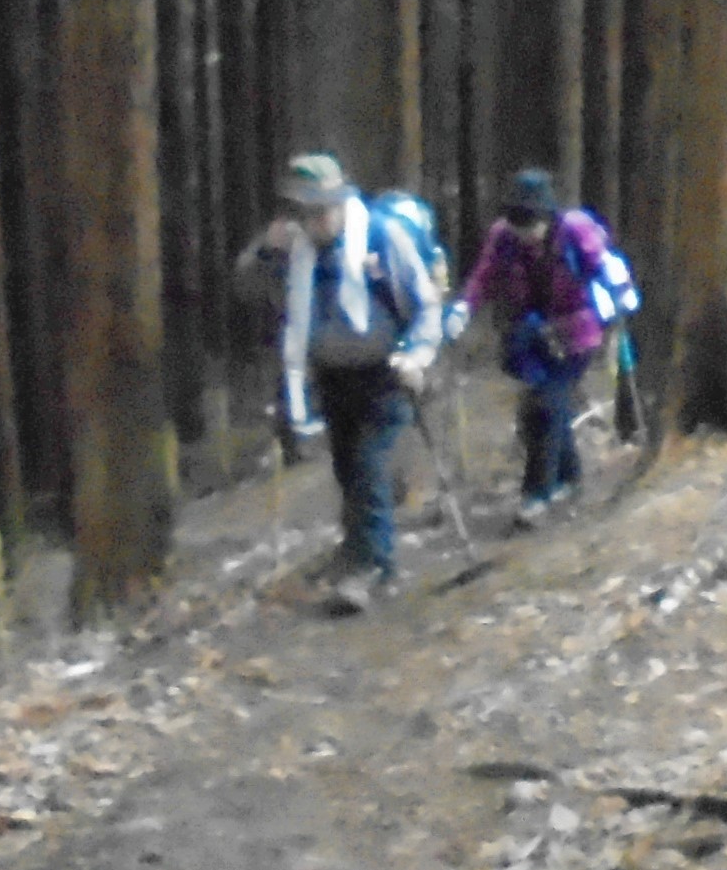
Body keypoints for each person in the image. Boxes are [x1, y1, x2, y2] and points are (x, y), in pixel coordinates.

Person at [236, 152, 442, 612]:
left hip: (387, 372)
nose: (316, 221)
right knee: (348, 469)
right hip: (332, 376)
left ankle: (376, 568)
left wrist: (418, 356)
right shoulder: (289, 249)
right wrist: (267, 252)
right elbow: (247, 288)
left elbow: (426, 304)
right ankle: (356, 550)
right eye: (305, 211)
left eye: (323, 209)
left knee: (369, 466)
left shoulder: (382, 236)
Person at [458, 170, 624, 528]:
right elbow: (483, 276)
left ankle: (537, 494)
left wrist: (618, 301)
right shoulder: (503, 237)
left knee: (546, 405)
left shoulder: (576, 233)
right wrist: (464, 307)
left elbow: (603, 268)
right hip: (530, 334)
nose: (525, 233)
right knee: (545, 409)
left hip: (576, 331)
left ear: (547, 217)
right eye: (518, 223)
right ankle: (569, 477)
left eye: (531, 223)